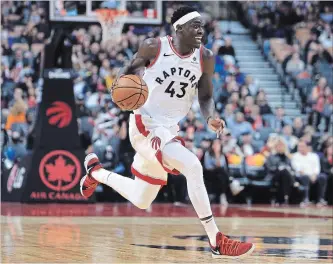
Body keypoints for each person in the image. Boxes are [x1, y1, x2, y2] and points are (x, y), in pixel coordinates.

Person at [80, 6, 254, 258]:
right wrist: (120, 90)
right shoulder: (154, 47)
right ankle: (217, 240)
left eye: (202, 26)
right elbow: (127, 72)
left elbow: (205, 95)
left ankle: (96, 172)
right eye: (195, 26)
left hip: (169, 129)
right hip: (146, 124)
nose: (200, 30)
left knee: (142, 199)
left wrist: (210, 117)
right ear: (179, 28)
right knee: (193, 166)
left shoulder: (205, 56)